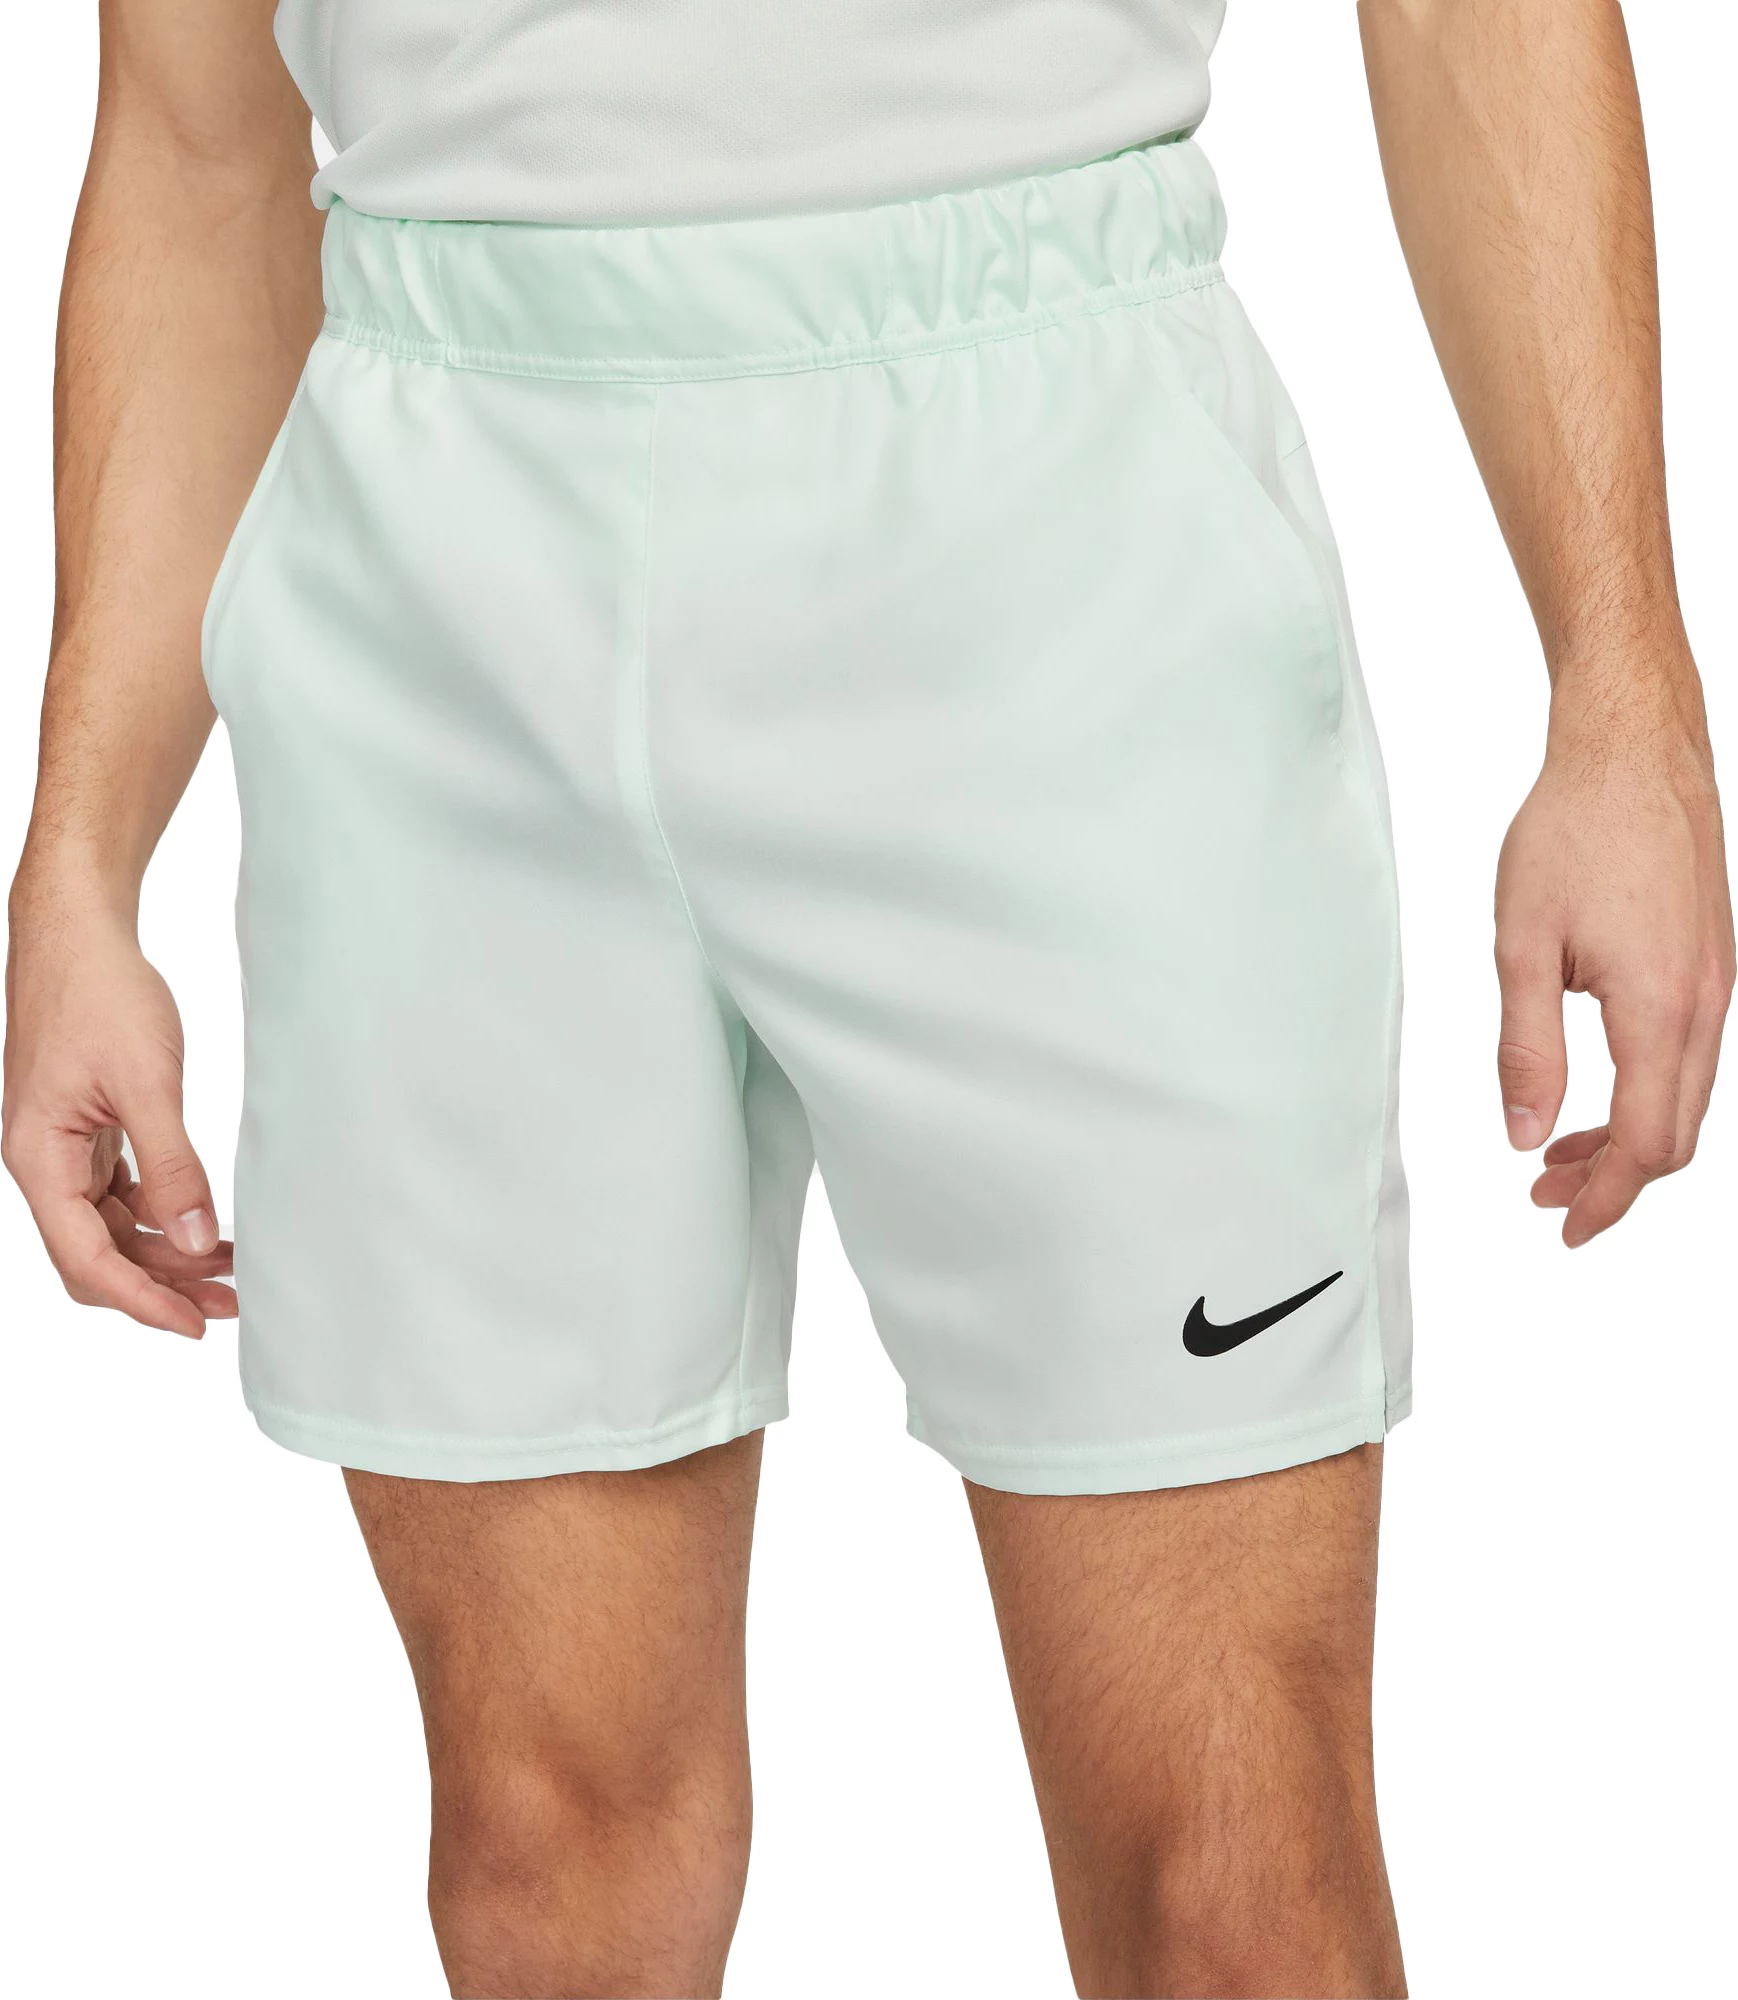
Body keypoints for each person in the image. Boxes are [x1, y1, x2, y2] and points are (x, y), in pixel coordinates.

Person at [4, 1, 1730, 1994]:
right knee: (546, 1875)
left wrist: (1621, 688)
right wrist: (81, 853)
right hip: (438, 571)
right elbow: (199, 145)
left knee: (1233, 1890)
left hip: (1055, 550)